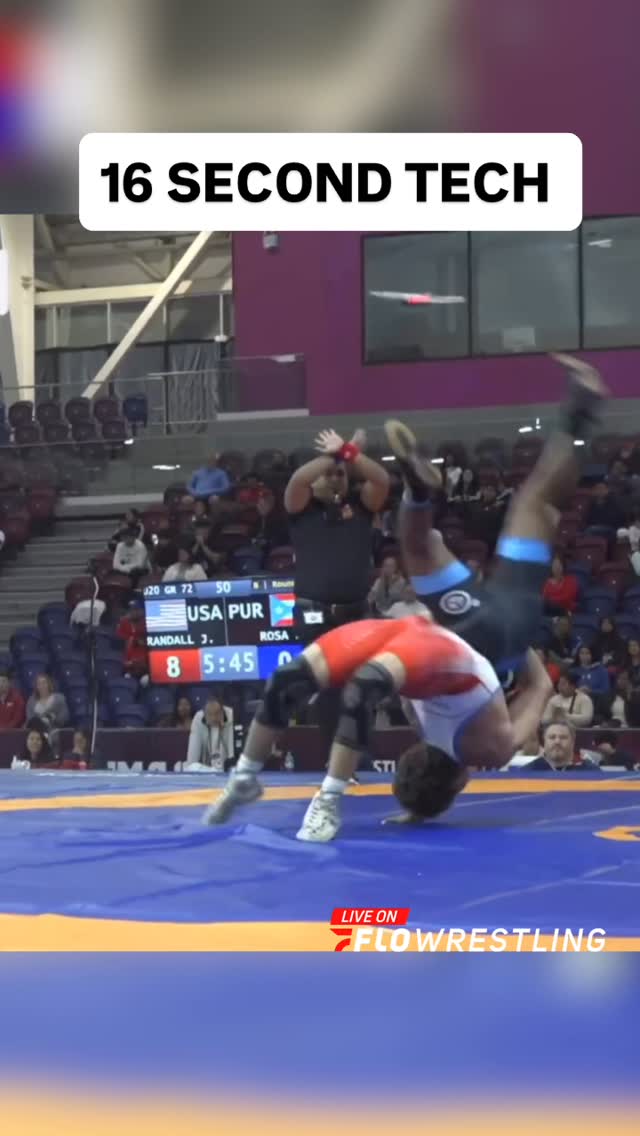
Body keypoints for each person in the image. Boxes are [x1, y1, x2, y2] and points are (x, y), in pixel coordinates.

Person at [203, 605, 552, 841]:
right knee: (361, 687)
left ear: (460, 782)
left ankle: (246, 775)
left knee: (286, 681)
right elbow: (541, 686)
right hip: (428, 648)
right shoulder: (486, 747)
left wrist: (510, 636)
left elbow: (540, 686)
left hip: (415, 637)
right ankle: (325, 797)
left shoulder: (471, 744)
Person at [384, 353, 607, 697]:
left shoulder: (492, 717)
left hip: (514, 622)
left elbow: (538, 690)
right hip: (483, 637)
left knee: (539, 502)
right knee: (420, 545)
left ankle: (580, 409)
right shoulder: (479, 721)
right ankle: (416, 493)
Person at [285, 427, 389, 760]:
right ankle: (338, 761)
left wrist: (349, 452)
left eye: (340, 474)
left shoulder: (361, 505)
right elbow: (298, 480)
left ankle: (359, 757)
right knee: (329, 687)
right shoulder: (301, 508)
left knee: (361, 686)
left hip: (355, 613)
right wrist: (336, 455)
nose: (333, 478)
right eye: (327, 473)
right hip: (313, 613)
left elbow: (382, 480)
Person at [186, 698, 234, 772]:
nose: (213, 718)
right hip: (207, 770)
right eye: (209, 714)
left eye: (217, 713)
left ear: (222, 711)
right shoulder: (198, 719)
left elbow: (232, 756)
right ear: (204, 714)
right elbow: (192, 758)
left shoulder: (231, 716)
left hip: (227, 770)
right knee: (192, 767)